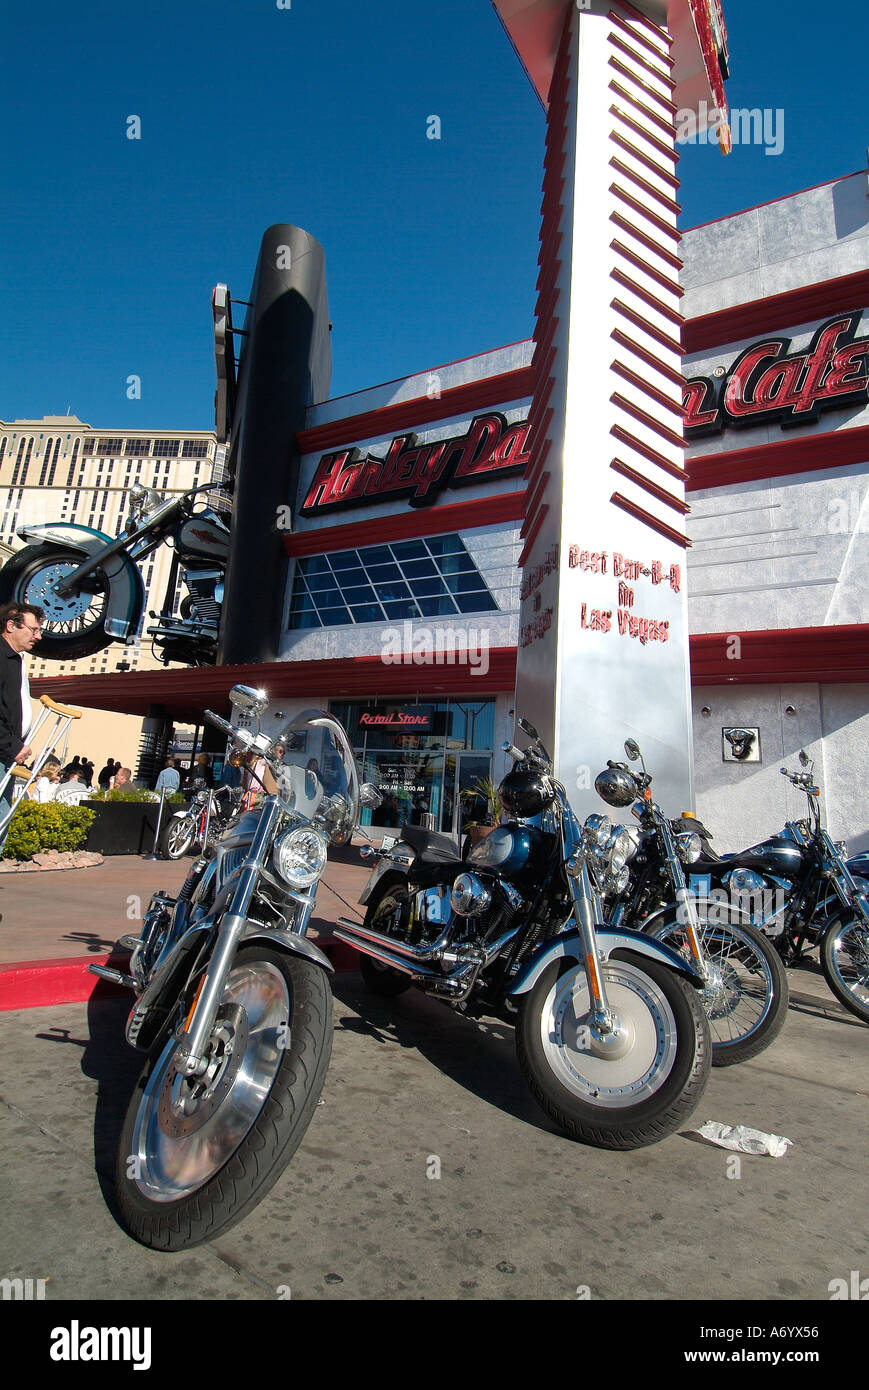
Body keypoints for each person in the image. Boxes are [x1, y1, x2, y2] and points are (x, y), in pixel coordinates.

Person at [0, 602, 44, 851]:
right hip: (4, 750)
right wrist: (12, 746)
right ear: (11, 626)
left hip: (7, 755)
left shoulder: (15, 659)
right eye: (33, 629)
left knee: (3, 818)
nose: (38, 636)